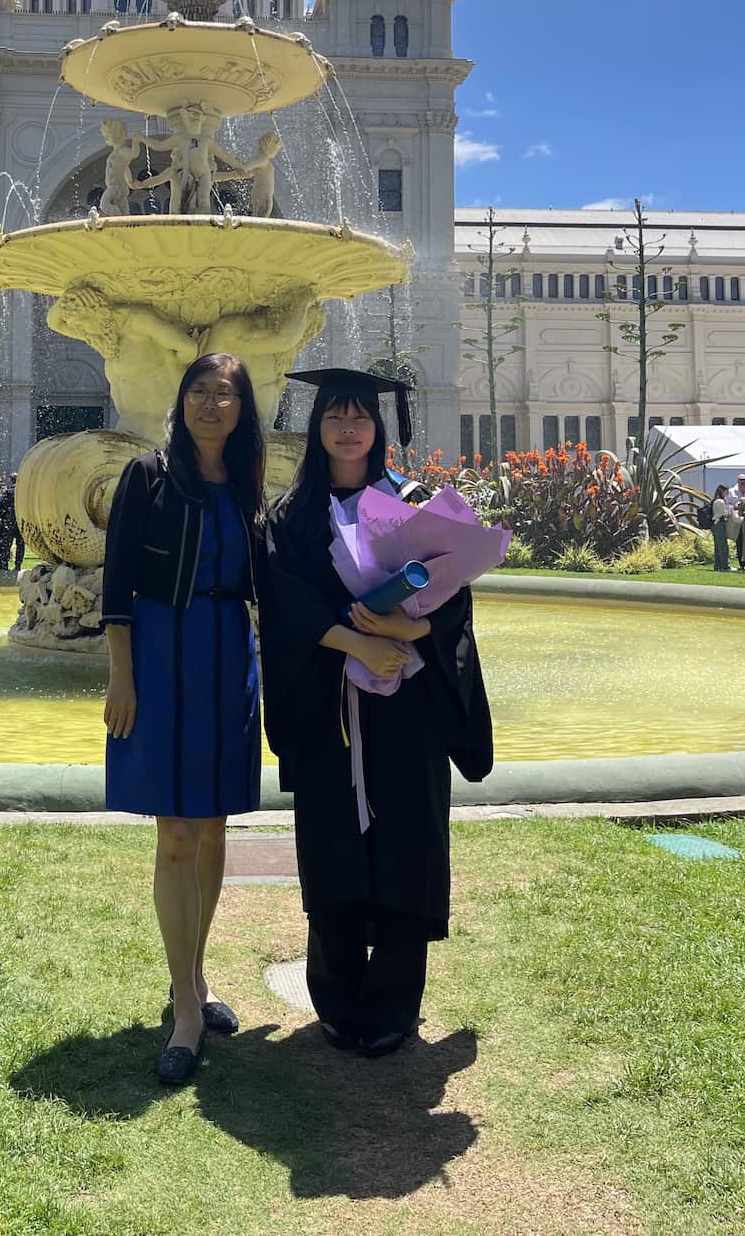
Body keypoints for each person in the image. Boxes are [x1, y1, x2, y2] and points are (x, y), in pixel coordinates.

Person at [259, 368, 493, 1059]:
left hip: (407, 708)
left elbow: (454, 603)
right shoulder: (291, 515)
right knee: (334, 839)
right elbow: (283, 604)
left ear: (378, 428)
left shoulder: (412, 504)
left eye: (361, 415)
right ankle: (337, 996)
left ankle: (394, 1000)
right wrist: (358, 638)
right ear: (317, 426)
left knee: (403, 841)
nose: (349, 427)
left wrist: (407, 633)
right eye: (335, 415)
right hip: (331, 700)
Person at [101, 352, 266, 1086]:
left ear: (242, 408)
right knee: (175, 833)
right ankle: (188, 1016)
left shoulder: (248, 483)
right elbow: (117, 578)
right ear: (182, 399)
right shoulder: (150, 474)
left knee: (215, 824)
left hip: (230, 655)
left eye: (224, 394)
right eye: (199, 391)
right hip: (162, 654)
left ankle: (192, 979)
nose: (210, 404)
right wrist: (122, 673)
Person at [710, 485, 732, 572]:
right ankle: (724, 565)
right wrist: (730, 512)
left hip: (716, 524)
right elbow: (723, 514)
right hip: (719, 523)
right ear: (722, 491)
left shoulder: (716, 500)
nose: (727, 493)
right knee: (723, 545)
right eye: (726, 491)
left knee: (718, 545)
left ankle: (718, 565)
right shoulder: (720, 502)